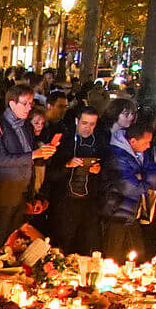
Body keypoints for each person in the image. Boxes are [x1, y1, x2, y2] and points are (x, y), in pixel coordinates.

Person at [0, 84, 57, 257]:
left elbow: (31, 160)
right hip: (3, 193)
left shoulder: (26, 126)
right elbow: (2, 159)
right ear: (12, 104)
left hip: (22, 193)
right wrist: (34, 154)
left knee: (17, 242)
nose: (29, 107)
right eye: (25, 103)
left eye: (31, 103)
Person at [100, 121, 156, 262]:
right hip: (117, 214)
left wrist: (141, 176)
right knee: (114, 260)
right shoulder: (117, 156)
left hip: (133, 215)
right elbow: (130, 187)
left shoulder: (142, 153)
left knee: (137, 258)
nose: (149, 146)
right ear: (133, 141)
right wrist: (148, 181)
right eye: (146, 142)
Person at [46, 106, 105, 254]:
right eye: (84, 123)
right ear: (77, 121)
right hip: (65, 203)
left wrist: (98, 169)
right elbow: (49, 173)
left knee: (86, 244)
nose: (87, 128)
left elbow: (106, 170)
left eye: (92, 124)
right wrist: (67, 165)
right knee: (63, 244)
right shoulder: (64, 142)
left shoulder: (98, 143)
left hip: (88, 203)